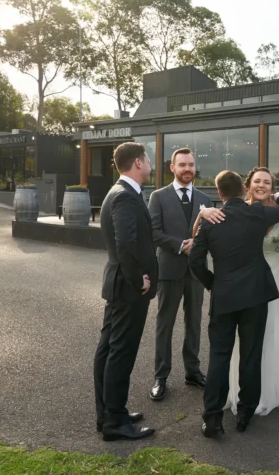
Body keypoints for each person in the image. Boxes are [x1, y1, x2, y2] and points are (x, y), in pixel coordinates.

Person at [197, 167, 279, 417]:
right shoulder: (254, 213)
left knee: (225, 352)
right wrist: (202, 212)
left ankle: (213, 415)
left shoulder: (228, 215)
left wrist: (213, 284)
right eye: (257, 181)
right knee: (250, 352)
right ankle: (247, 410)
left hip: (257, 286)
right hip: (257, 290)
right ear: (246, 187)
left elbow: (195, 259)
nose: (262, 185)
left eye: (267, 182)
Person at [94, 142, 158, 441]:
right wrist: (138, 281)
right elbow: (125, 244)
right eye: (148, 159)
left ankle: (108, 413)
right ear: (138, 162)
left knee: (109, 350)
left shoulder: (120, 192)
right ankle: (115, 422)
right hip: (128, 288)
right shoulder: (125, 196)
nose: (150, 164)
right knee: (120, 353)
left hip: (119, 284)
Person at [147, 147, 215, 401]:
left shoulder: (205, 199)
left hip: (196, 272)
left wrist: (198, 245)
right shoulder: (158, 197)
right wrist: (180, 245)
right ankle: (161, 376)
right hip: (169, 270)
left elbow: (212, 233)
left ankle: (192, 371)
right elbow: (153, 232)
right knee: (165, 324)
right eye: (182, 165)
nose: (188, 169)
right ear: (172, 168)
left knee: (195, 322)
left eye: (191, 165)